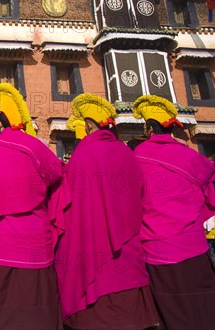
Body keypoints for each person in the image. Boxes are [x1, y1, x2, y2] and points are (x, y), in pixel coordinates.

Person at [54, 93, 159, 330]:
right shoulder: (126, 153)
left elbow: (67, 201)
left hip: (91, 245)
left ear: (89, 125)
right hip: (128, 244)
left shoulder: (82, 154)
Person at [133, 95, 215, 328]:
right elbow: (207, 186)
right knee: (205, 305)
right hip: (193, 243)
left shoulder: (137, 156)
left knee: (173, 309)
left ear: (149, 128)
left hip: (156, 246)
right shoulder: (190, 155)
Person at [0, 83, 63, 329]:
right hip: (32, 235)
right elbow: (56, 173)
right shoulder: (34, 146)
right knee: (33, 296)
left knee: (2, 296)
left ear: (0, 122)